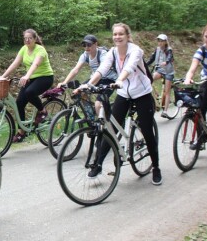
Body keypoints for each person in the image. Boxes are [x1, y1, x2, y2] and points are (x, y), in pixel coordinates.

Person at [76, 23, 162, 186]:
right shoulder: (113, 52)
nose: (117, 37)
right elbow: (102, 69)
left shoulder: (135, 50)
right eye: (115, 34)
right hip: (124, 93)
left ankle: (156, 167)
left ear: (127, 36)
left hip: (141, 93)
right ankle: (98, 164)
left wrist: (119, 80)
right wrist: (88, 84)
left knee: (146, 130)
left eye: (121, 34)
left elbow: (128, 68)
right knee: (111, 128)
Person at [0, 29, 54, 143]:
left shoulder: (40, 49)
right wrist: (2, 76)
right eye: (25, 38)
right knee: (19, 103)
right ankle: (21, 132)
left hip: (45, 77)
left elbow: (35, 64)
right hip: (31, 78)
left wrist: (27, 76)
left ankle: (43, 111)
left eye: (30, 38)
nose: (27, 40)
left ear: (35, 39)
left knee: (29, 92)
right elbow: (15, 63)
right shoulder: (24, 49)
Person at [57, 34, 117, 115]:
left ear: (96, 44)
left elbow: (102, 69)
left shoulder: (103, 54)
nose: (86, 47)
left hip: (109, 80)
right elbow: (75, 69)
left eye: (89, 45)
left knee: (98, 104)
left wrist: (89, 85)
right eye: (84, 45)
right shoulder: (85, 55)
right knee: (80, 93)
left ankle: (104, 125)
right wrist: (64, 82)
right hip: (96, 78)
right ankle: (90, 115)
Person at [146, 34, 175, 118]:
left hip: (168, 72)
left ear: (165, 42)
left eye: (162, 41)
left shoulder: (169, 50)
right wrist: (145, 65)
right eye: (158, 40)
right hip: (160, 70)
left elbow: (169, 57)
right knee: (149, 80)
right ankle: (156, 99)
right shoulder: (157, 49)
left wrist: (166, 62)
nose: (160, 42)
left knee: (167, 91)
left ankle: (165, 111)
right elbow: (151, 59)